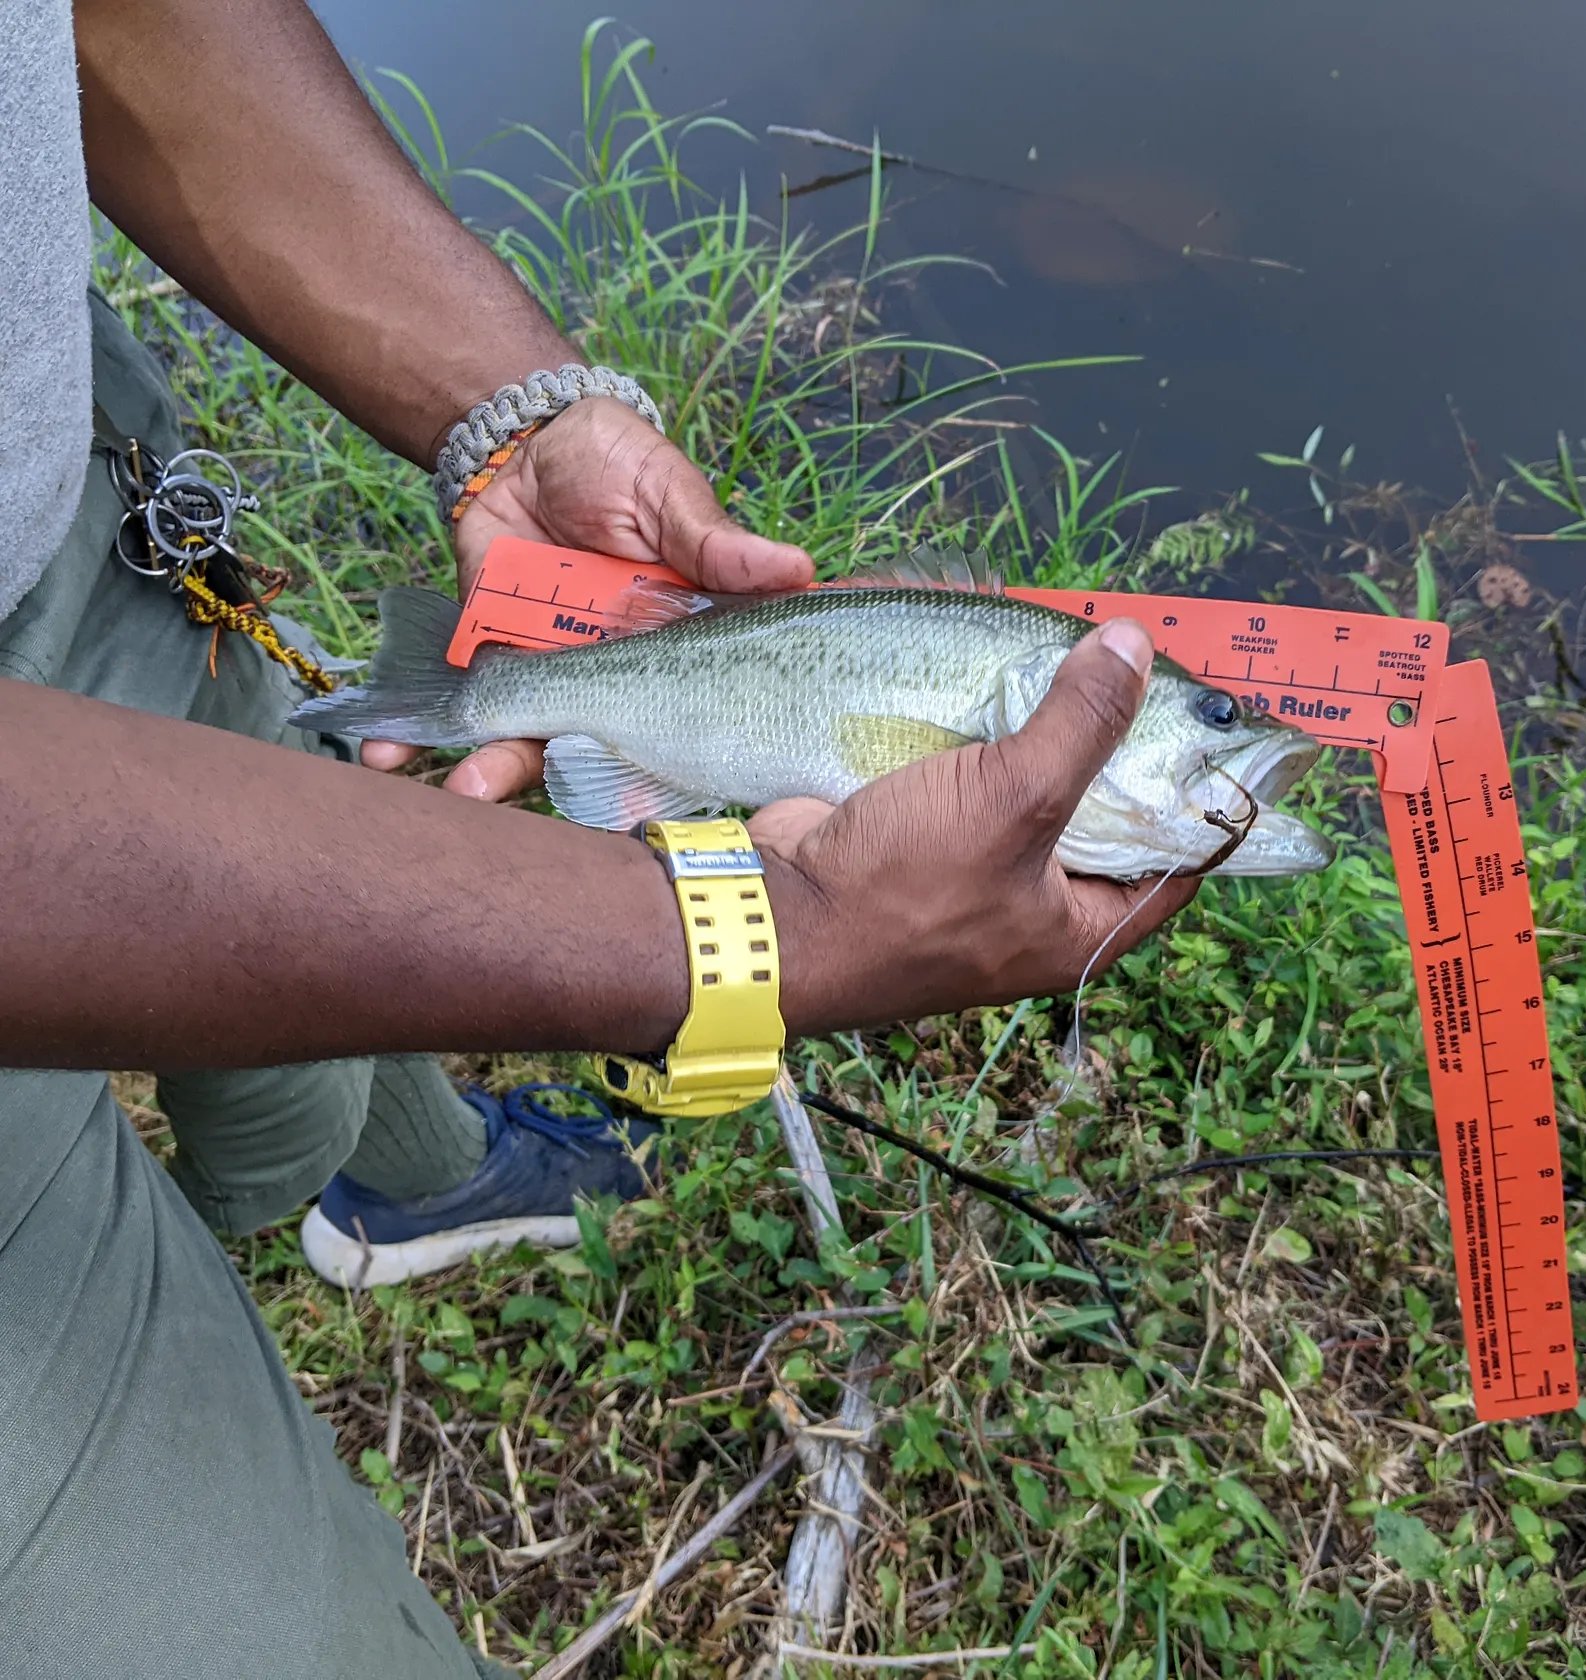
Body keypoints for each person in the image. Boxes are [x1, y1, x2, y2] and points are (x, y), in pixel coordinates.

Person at [0, 0, 1197, 1673]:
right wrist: (732, 943)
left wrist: (518, 414)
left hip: (72, 482)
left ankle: (393, 1185)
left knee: (280, 857)